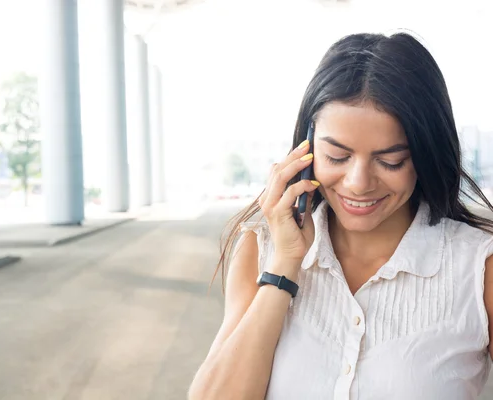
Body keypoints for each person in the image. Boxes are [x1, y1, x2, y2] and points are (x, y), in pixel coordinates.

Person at [188, 32, 493, 400]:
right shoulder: (260, 248)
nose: (359, 183)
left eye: (390, 161)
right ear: (307, 147)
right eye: (337, 156)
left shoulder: (477, 269)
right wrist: (284, 266)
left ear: (425, 155)